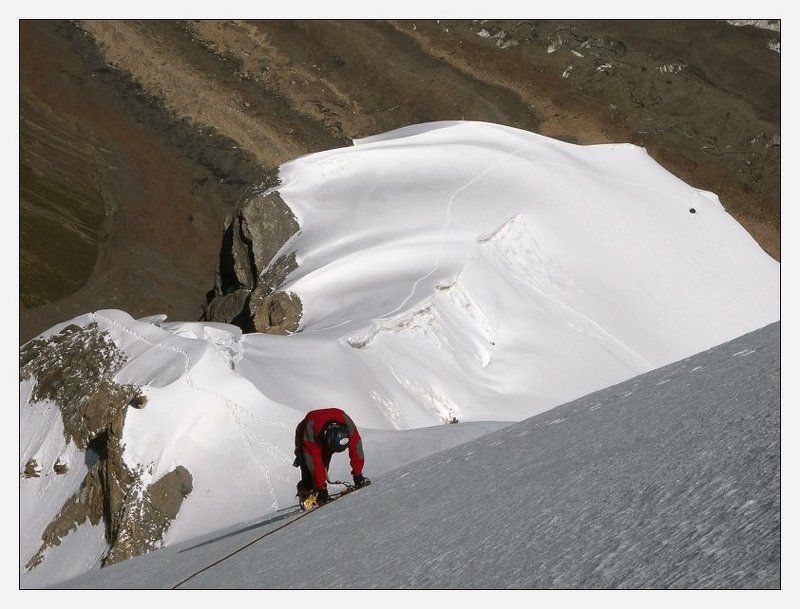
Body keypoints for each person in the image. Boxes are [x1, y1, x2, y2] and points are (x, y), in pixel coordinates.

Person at [293, 408, 370, 508]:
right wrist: (322, 489)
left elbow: (356, 449)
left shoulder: (347, 424)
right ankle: (305, 492)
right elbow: (315, 463)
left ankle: (317, 489)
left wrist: (358, 475)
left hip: (322, 432)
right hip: (306, 433)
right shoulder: (310, 430)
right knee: (309, 469)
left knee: (324, 463)